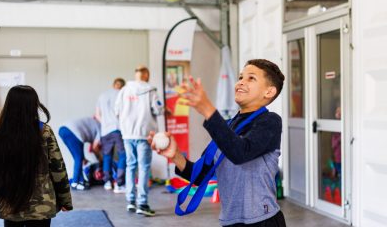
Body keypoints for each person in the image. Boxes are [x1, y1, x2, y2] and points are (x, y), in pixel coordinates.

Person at [150, 59, 287, 226]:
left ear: (269, 92)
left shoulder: (270, 121)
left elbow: (240, 152)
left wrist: (208, 109)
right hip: (230, 221)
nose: (241, 82)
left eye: (251, 78)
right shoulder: (227, 126)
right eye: (241, 77)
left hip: (263, 221)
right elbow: (200, 175)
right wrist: (176, 155)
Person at [0, 85, 72, 227]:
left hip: (11, 203)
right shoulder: (45, 131)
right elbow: (57, 168)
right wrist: (65, 200)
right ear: (33, 105)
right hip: (42, 205)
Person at [115, 65, 163, 216]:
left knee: (131, 166)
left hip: (128, 134)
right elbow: (158, 109)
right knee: (143, 168)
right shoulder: (150, 90)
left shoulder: (124, 90)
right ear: (146, 74)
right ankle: (142, 203)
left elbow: (116, 111)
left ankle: (130, 202)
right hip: (144, 134)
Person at [95, 78, 127, 193]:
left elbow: (97, 115)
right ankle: (119, 183)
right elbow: (124, 113)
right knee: (123, 155)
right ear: (122, 86)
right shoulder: (122, 95)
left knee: (107, 156)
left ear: (113, 84)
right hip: (118, 129)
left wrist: (105, 123)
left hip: (105, 130)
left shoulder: (102, 95)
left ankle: (107, 182)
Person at [59, 117, 101, 190]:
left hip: (63, 130)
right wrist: (100, 159)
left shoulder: (93, 123)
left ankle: (81, 181)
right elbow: (95, 147)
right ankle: (75, 183)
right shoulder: (101, 128)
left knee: (78, 157)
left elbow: (92, 147)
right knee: (78, 158)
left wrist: (84, 158)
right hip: (74, 132)